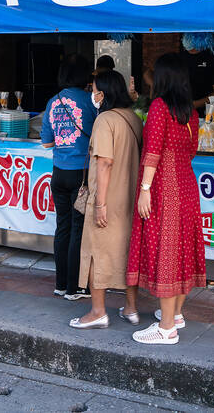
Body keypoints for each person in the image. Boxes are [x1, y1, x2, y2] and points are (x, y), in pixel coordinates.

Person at [126, 53, 205, 345]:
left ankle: (167, 328)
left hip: (165, 186)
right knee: (184, 250)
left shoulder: (160, 107)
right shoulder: (189, 112)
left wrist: (145, 188)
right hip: (187, 183)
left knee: (167, 252)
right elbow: (193, 149)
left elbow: (153, 152)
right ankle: (177, 315)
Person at [70, 70, 143, 330]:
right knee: (128, 252)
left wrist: (100, 203)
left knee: (95, 253)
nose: (92, 93)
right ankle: (131, 308)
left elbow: (104, 162)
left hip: (108, 199)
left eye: (94, 89)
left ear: (103, 93)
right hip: (130, 200)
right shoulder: (133, 118)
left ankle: (98, 311)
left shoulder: (105, 120)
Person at [41, 58, 96, 301]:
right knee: (78, 229)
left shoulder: (53, 102)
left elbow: (46, 142)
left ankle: (61, 284)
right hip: (80, 174)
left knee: (62, 227)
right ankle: (75, 289)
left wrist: (64, 140)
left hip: (58, 173)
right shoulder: (89, 101)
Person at [180, 37, 214, 114]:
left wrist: (194, 104)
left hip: (207, 115)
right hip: (181, 113)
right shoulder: (179, 58)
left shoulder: (212, 58)